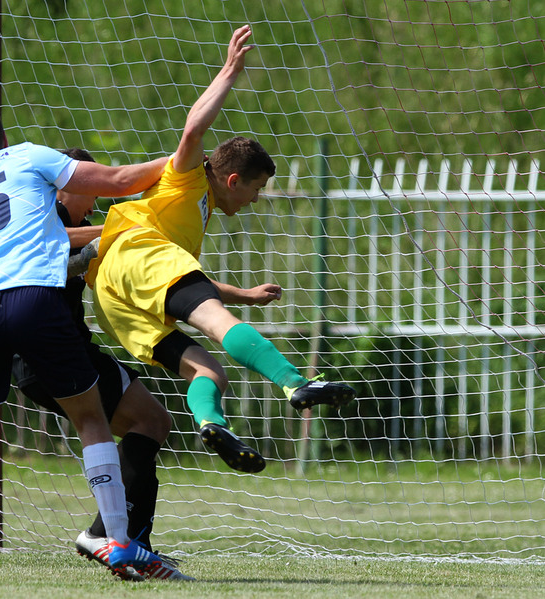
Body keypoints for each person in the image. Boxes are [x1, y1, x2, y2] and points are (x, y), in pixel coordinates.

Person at [0, 106, 171, 581]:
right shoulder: (28, 157)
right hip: (34, 298)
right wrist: (181, 161)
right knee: (91, 417)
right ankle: (118, 544)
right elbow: (118, 178)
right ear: (5, 138)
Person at [84, 25, 356, 473]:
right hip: (137, 254)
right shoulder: (188, 179)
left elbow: (180, 284)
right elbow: (192, 130)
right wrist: (229, 72)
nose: (255, 199)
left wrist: (245, 294)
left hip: (114, 299)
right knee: (218, 323)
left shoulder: (198, 214)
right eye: (256, 188)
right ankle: (293, 383)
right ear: (233, 179)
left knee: (208, 372)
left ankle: (212, 422)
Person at [11, 148, 193, 581]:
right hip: (53, 353)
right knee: (150, 422)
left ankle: (120, 540)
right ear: (67, 186)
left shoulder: (58, 225)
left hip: (48, 357)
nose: (94, 200)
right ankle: (120, 542)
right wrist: (119, 226)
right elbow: (57, 245)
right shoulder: (45, 218)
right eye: (89, 191)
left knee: (149, 423)